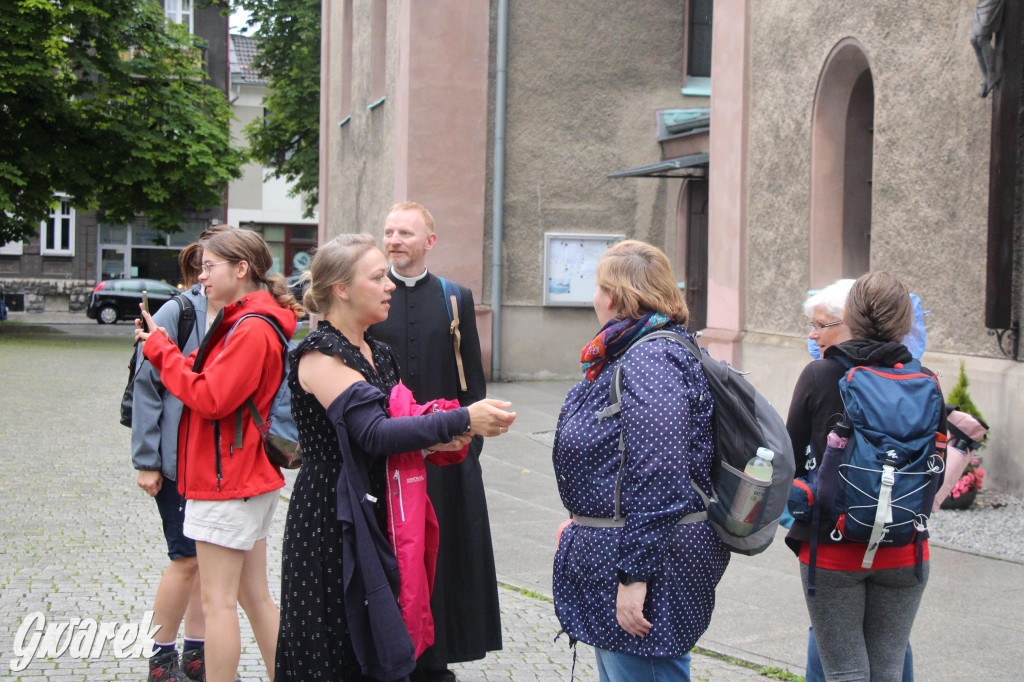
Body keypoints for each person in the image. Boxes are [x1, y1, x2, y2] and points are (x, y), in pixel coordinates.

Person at [274, 234, 515, 681]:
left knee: (383, 633)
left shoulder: (380, 353)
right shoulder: (319, 356)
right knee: (339, 642)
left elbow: (396, 430)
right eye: (377, 277)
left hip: (380, 507)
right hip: (334, 518)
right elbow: (373, 433)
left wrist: (436, 440)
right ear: (342, 289)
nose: (389, 285)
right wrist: (462, 416)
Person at [551, 239, 729, 682]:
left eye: (597, 287)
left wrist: (635, 578)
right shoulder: (633, 352)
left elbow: (660, 474)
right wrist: (582, 518)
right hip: (622, 550)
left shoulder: (651, 358)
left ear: (612, 296)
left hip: (646, 562)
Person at [135, 228, 303, 682]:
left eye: (210, 267)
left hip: (227, 477)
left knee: (219, 603)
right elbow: (217, 382)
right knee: (254, 599)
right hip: (243, 474)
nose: (202, 278)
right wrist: (167, 350)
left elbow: (210, 398)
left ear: (241, 268)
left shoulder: (250, 327)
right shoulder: (252, 319)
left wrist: (161, 351)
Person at [785, 271, 945, 681]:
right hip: (906, 549)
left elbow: (789, 459)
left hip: (834, 548)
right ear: (906, 322)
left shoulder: (820, 374)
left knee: (845, 672)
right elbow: (934, 469)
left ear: (851, 317)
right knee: (888, 670)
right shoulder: (925, 381)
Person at [368, 202, 501, 681]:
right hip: (384, 454)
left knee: (440, 562)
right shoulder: (370, 294)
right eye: (389, 231)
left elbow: (473, 385)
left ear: (430, 240)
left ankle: (435, 659)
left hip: (445, 460)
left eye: (405, 232)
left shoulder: (453, 297)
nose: (394, 239)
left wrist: (467, 452)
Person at [132, 225, 231, 681]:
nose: (208, 275)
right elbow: (147, 385)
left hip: (214, 464)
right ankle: (160, 654)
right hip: (175, 462)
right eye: (206, 266)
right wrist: (147, 461)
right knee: (185, 558)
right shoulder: (178, 312)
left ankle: (196, 651)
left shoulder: (238, 313)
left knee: (203, 561)